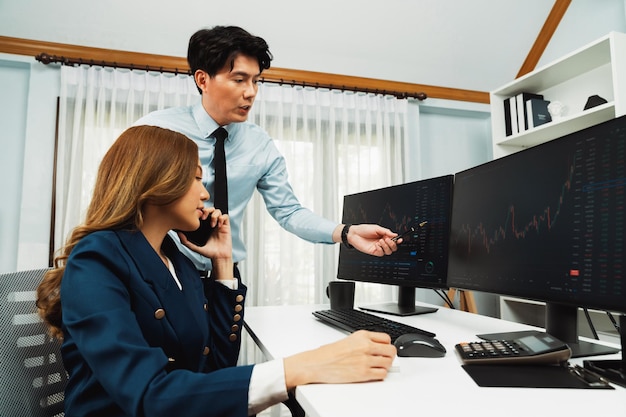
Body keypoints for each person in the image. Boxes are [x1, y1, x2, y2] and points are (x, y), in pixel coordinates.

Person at [35, 125, 397, 417]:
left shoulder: (175, 259)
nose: (205, 195)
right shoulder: (96, 259)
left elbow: (215, 364)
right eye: (195, 179)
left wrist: (222, 261)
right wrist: (302, 367)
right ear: (156, 183)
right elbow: (149, 396)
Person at [134, 25, 401, 272]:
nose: (251, 92)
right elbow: (126, 200)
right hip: (163, 268)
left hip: (226, 271)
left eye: (255, 81)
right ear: (203, 80)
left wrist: (347, 233)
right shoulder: (155, 130)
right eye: (239, 80)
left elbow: (289, 211)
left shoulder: (259, 144)